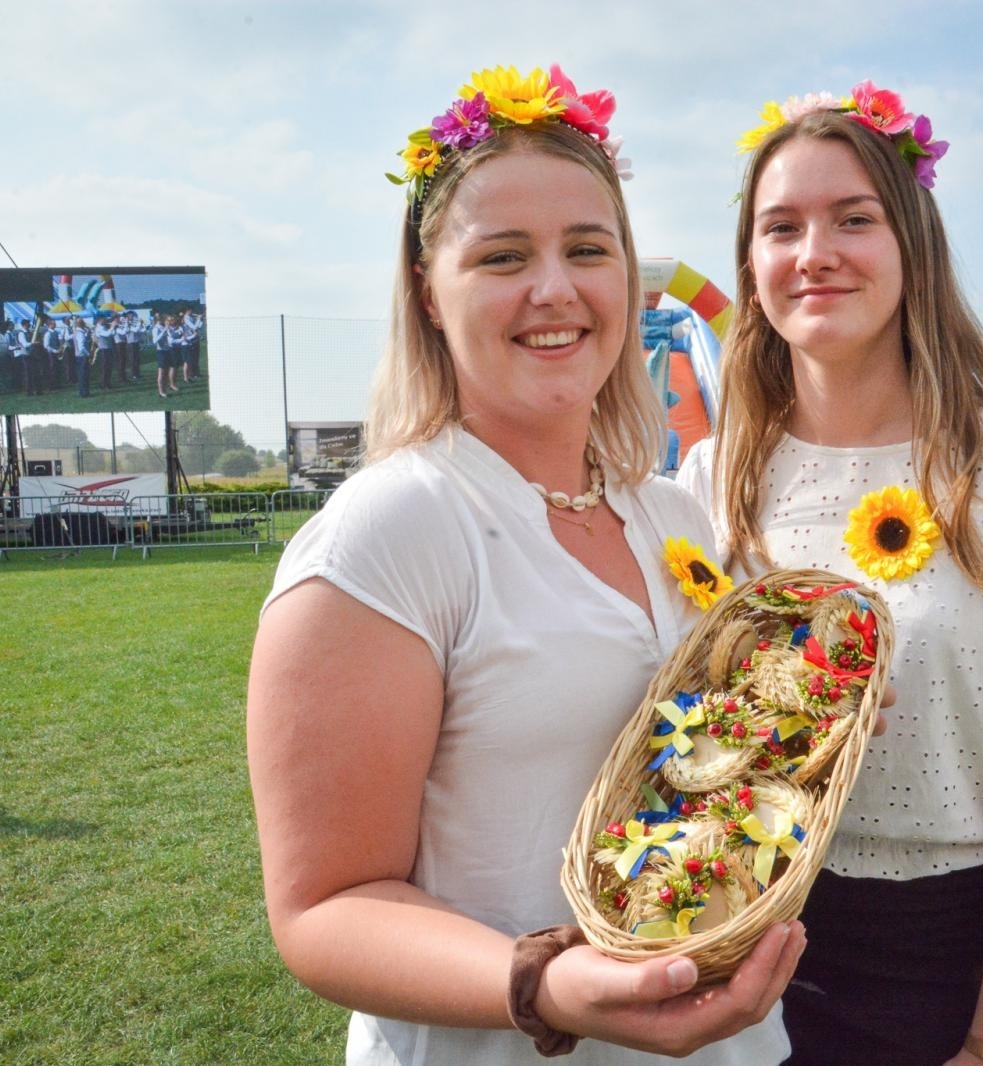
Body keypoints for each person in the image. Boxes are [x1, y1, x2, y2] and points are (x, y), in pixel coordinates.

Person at [246, 64, 798, 1066]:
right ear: (427, 291)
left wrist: (800, 709)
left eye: (588, 249)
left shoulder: (674, 513)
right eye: (502, 256)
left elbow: (704, 774)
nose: (555, 288)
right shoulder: (390, 531)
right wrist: (543, 982)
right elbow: (325, 906)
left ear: (628, 278)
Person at [679, 84, 983, 1066]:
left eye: (853, 219)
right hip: (720, 918)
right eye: (779, 227)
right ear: (750, 270)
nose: (813, 252)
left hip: (920, 956)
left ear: (913, 244)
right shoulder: (707, 481)